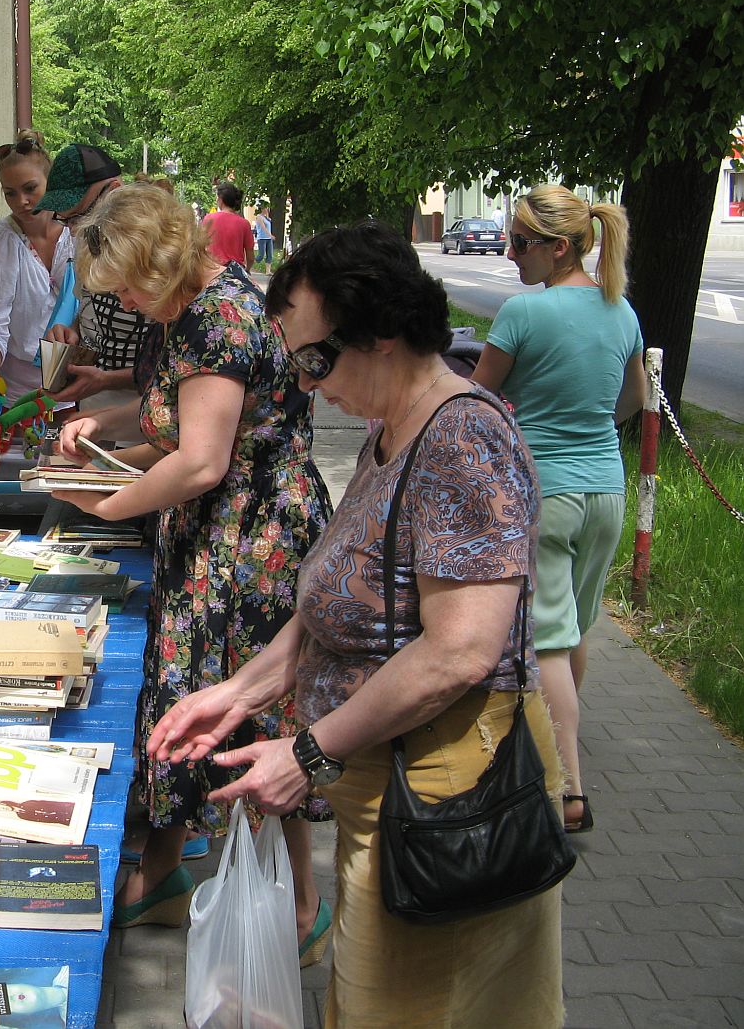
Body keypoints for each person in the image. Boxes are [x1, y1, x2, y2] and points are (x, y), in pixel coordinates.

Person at [150, 222, 562, 1024]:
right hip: (396, 786)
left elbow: (459, 652)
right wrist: (235, 693)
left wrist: (306, 754)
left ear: (379, 334)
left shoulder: (464, 440)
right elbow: (335, 611)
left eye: (313, 360)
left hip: (447, 796)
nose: (305, 384)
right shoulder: (392, 429)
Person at [52, 186, 332, 942]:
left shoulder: (219, 317)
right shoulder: (192, 308)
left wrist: (111, 504)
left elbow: (201, 461)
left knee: (255, 716)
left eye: (133, 289)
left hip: (252, 547)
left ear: (164, 259)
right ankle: (166, 870)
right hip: (218, 537)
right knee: (189, 699)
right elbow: (173, 425)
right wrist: (98, 433)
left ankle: (304, 905)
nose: (134, 306)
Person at [473, 185, 644, 834]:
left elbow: (476, 399)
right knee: (575, 626)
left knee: (546, 633)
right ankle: (560, 723)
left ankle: (569, 787)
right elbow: (631, 402)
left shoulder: (523, 314)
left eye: (520, 243)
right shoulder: (619, 311)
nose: (511, 253)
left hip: (544, 493)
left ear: (558, 248)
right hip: (606, 490)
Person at [34, 143, 150, 411]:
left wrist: (107, 380)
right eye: (64, 220)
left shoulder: (151, 256)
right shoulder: (88, 238)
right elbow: (88, 305)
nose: (73, 231)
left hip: (144, 412)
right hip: (95, 402)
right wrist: (73, 331)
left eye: (80, 216)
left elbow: (174, 365)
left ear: (115, 192)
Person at [0, 130, 75, 401]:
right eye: (10, 193)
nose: (21, 202)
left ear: (50, 182)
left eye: (30, 189)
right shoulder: (1, 241)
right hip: (17, 395)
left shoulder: (77, 233)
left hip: (78, 385)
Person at [201, 181, 255, 271]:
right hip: (235, 271)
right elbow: (250, 256)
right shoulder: (244, 224)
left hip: (213, 270)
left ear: (221, 200)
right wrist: (247, 270)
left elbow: (201, 247)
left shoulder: (209, 219)